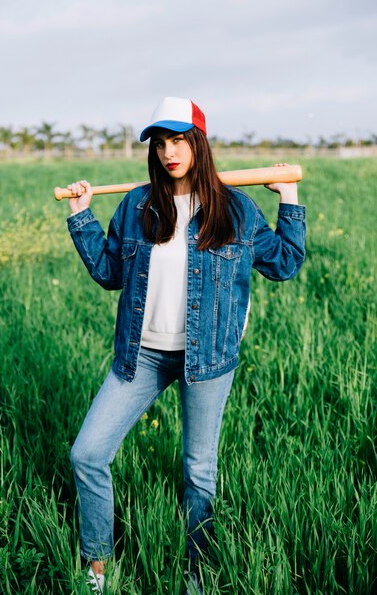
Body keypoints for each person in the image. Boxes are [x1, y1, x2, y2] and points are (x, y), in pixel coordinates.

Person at [66, 96, 306, 594]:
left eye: (178, 141)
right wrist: (82, 217)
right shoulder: (136, 204)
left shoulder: (235, 207)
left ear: (198, 143)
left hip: (208, 358)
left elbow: (283, 263)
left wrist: (288, 196)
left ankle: (198, 574)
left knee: (199, 470)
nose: (169, 152)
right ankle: (97, 567)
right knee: (87, 453)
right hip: (142, 355)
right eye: (160, 143)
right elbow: (111, 273)